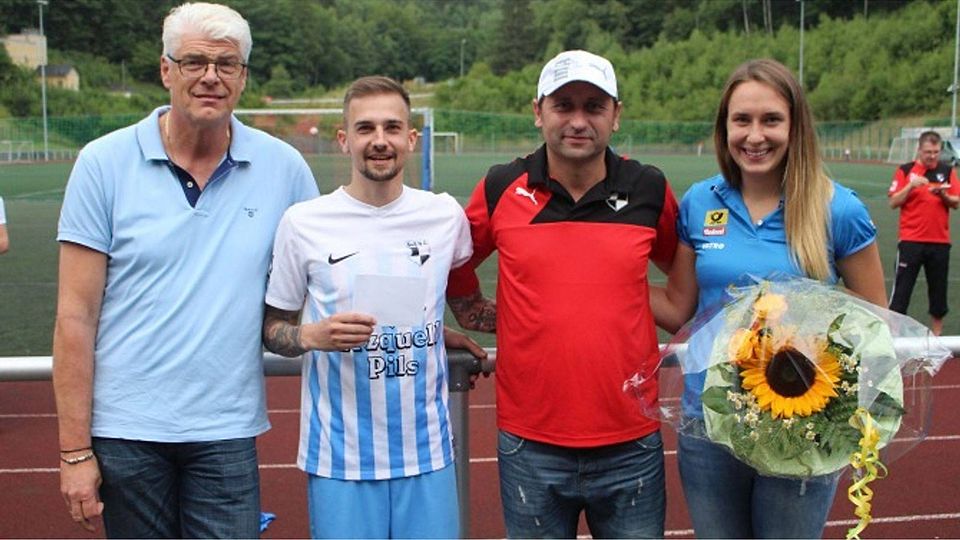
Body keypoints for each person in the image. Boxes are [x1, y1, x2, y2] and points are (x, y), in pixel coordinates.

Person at [52, 3, 319, 537]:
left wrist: (422, 325)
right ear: (166, 70)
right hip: (126, 432)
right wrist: (75, 451)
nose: (210, 77)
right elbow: (75, 316)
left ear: (243, 77)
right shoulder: (102, 163)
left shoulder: (283, 167)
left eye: (226, 64)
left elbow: (326, 276)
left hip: (225, 429)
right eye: (194, 61)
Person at [446, 50, 679, 538]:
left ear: (616, 115)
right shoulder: (501, 186)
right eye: (563, 105)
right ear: (538, 112)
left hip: (630, 441)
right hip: (530, 443)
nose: (578, 121)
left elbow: (685, 275)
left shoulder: (648, 188)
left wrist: (625, 298)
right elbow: (453, 263)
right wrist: (477, 314)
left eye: (593, 107)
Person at [651, 58, 887, 539]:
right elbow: (678, 308)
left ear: (795, 126)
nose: (754, 136)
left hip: (801, 425)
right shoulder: (701, 202)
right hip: (710, 422)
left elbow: (874, 318)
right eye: (742, 120)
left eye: (771, 120)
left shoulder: (836, 208)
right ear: (724, 127)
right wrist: (607, 269)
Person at [262, 75, 485, 539]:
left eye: (391, 127)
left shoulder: (444, 216)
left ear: (411, 138)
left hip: (426, 452)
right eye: (365, 129)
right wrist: (310, 336)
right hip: (339, 456)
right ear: (344, 140)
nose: (379, 141)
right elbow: (272, 328)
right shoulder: (303, 223)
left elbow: (467, 307)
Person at [887, 130, 960, 336]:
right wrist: (911, 185)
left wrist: (943, 194)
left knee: (938, 291)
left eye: (936, 152)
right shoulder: (906, 170)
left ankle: (937, 337)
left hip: (939, 241)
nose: (932, 156)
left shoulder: (946, 172)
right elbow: (893, 201)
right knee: (901, 291)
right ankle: (894, 336)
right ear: (919, 150)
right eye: (928, 152)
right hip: (911, 241)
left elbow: (956, 202)